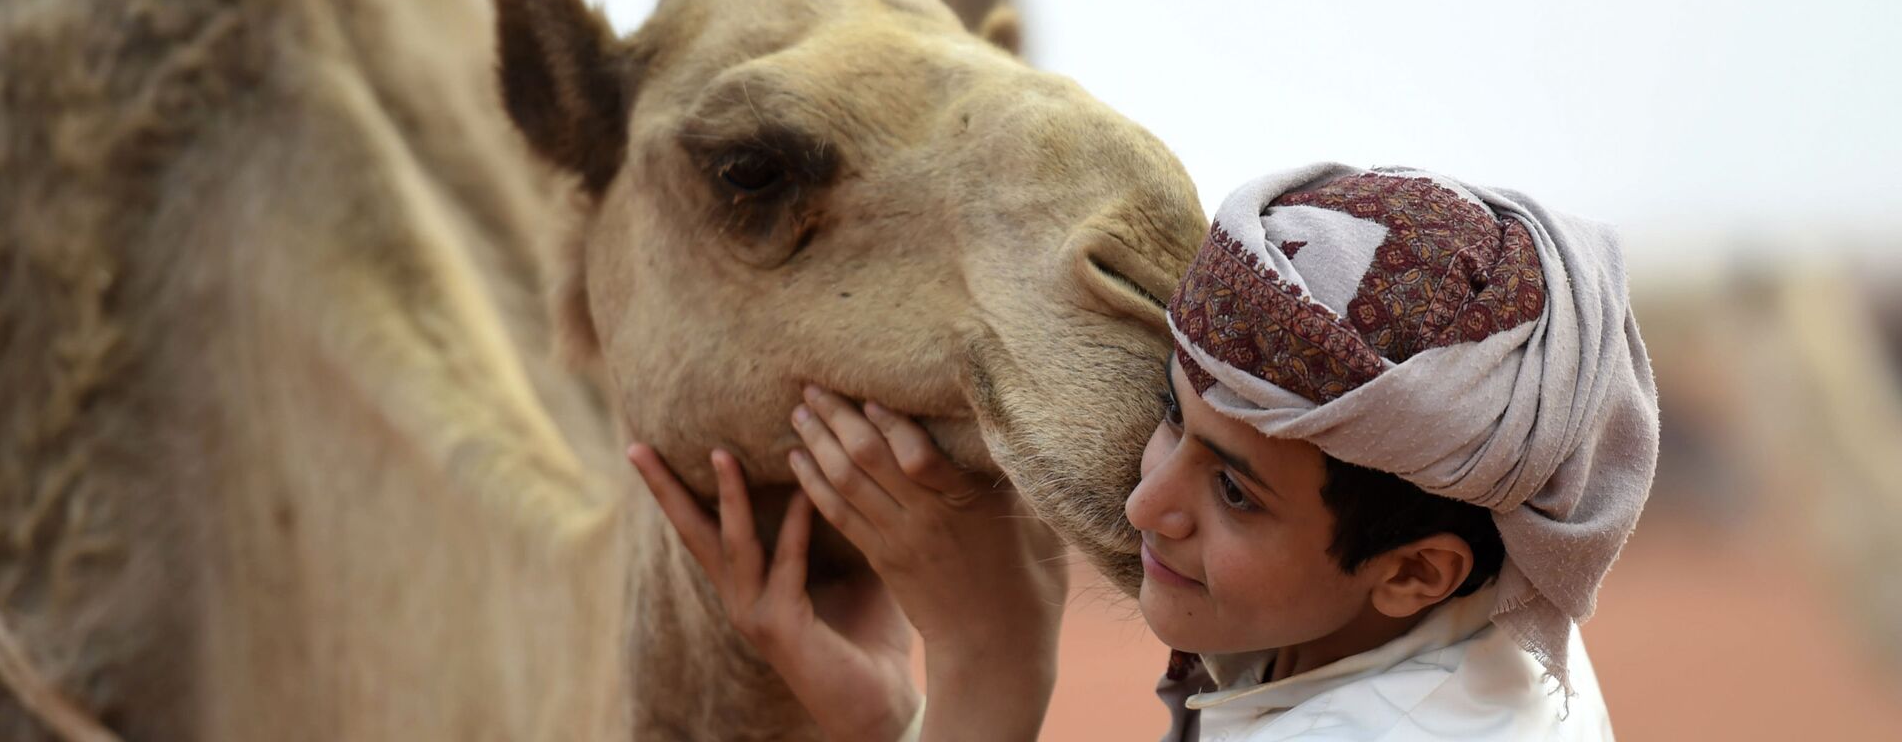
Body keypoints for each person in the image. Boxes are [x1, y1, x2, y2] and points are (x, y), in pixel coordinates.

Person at [629, 163, 1660, 741]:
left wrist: (987, 657)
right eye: (1176, 414)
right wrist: (894, 721)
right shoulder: (1456, 631)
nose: (1145, 504)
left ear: (1414, 570)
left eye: (1235, 492)